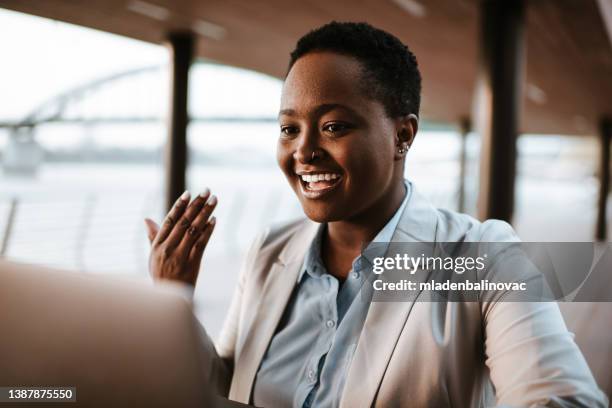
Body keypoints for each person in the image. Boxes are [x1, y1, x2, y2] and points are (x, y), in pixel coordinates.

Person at [144, 22, 607, 408]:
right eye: (289, 128)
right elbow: (223, 383)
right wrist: (173, 300)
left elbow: (559, 398)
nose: (303, 151)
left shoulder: (485, 257)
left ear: (403, 135)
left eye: (334, 127)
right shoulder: (270, 249)